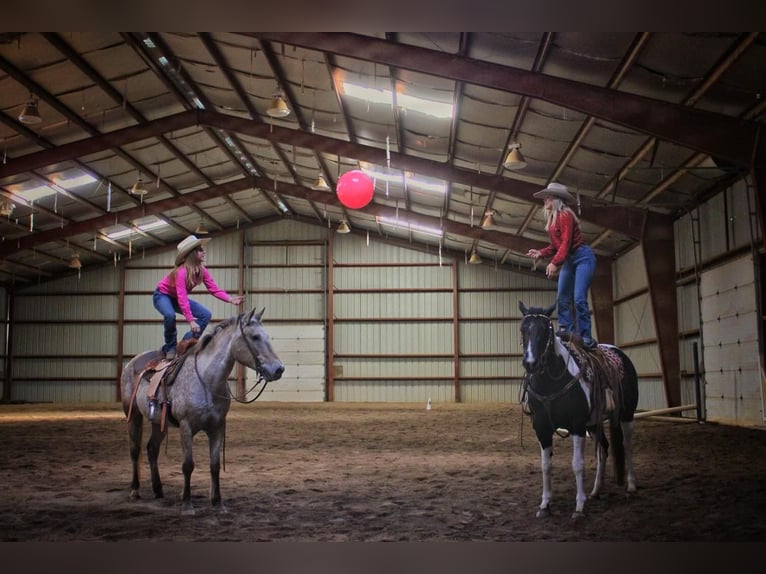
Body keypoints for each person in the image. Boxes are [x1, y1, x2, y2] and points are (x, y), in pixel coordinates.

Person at [526, 182, 598, 349]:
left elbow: (566, 243)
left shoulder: (565, 215)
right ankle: (567, 330)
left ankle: (586, 335)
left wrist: (553, 263)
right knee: (562, 298)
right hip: (569, 260)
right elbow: (555, 247)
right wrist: (541, 253)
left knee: (579, 298)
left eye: (548, 198)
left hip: (582, 257)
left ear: (556, 199)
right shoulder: (552, 222)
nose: (545, 201)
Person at [153, 235, 244, 359]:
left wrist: (230, 299)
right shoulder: (181, 272)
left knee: (206, 314)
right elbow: (182, 297)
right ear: (193, 254)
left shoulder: (202, 271)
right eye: (200, 250)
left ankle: (187, 341)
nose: (204, 252)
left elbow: (214, 289)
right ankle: (170, 347)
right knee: (169, 315)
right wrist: (191, 320)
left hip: (176, 298)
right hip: (162, 295)